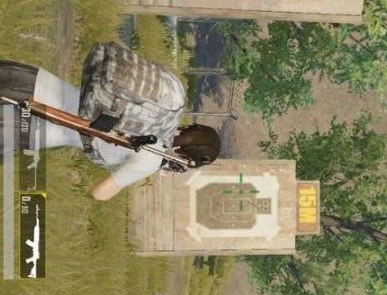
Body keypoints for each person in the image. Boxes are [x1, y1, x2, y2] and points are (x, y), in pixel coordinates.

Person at [0, 60, 221, 201]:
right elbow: (100, 193)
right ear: (187, 157)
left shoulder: (161, 111)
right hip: (34, 123)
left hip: (37, 80)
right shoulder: (152, 157)